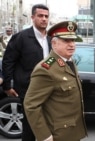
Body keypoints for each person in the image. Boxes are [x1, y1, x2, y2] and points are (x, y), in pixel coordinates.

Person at [24, 21, 88, 141]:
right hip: (58, 135)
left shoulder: (69, 61)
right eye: (66, 41)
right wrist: (44, 135)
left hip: (72, 132)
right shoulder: (45, 69)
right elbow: (31, 105)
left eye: (73, 40)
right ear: (54, 43)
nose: (72, 45)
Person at [2, 4, 51, 141]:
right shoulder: (21, 37)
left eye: (46, 16)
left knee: (47, 125)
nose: (44, 19)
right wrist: (8, 85)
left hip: (49, 90)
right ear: (32, 17)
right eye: (40, 16)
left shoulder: (51, 39)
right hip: (28, 90)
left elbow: (51, 62)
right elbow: (8, 61)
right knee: (30, 126)